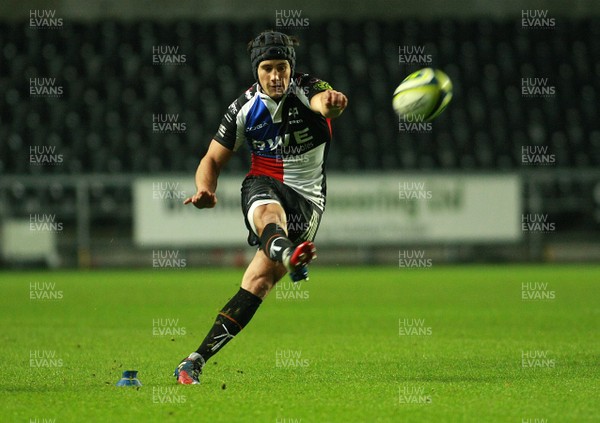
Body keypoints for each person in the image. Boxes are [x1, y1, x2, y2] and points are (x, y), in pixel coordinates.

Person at [174, 30, 348, 384]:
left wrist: (330, 104)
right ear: (257, 70)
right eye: (267, 68)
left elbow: (322, 102)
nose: (275, 76)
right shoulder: (243, 108)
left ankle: (193, 360)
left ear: (291, 67)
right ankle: (288, 253)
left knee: (257, 283)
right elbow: (211, 158)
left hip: (308, 201)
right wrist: (204, 189)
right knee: (269, 215)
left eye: (281, 67)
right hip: (264, 184)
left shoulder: (309, 87)